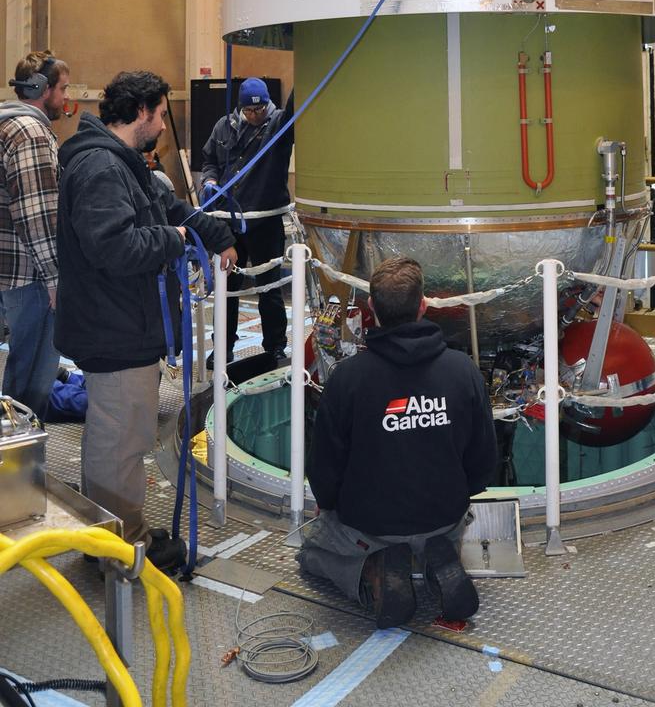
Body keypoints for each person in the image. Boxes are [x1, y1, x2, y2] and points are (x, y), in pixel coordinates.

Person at [54, 71, 238, 571]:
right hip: (113, 331)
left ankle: (112, 531)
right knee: (121, 440)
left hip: (121, 326)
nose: (161, 125)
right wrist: (175, 239)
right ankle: (121, 549)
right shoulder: (99, 168)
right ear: (140, 113)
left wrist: (216, 235)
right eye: (159, 115)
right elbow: (113, 247)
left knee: (118, 434)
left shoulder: (123, 165)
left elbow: (169, 207)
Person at [300, 257, 498, 628]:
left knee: (310, 551)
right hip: (443, 517)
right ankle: (439, 561)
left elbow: (324, 464)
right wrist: (456, 495)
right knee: (437, 531)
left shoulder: (347, 379)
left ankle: (373, 573)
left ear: (372, 308)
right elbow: (484, 460)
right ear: (423, 305)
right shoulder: (462, 371)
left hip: (371, 524)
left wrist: (327, 504)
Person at [200, 78, 293, 364]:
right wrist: (210, 180)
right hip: (229, 220)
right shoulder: (223, 126)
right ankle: (223, 347)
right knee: (227, 288)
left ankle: (275, 346)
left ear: (268, 103)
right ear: (240, 108)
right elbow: (210, 160)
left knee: (270, 288)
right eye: (249, 111)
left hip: (265, 219)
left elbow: (294, 108)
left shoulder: (279, 124)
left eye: (260, 109)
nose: (255, 115)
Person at [0, 52, 70, 421]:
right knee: (29, 382)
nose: (64, 98)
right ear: (42, 89)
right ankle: (19, 471)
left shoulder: (4, 125)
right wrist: (57, 281)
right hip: (29, 276)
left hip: (8, 270)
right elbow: (37, 215)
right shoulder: (31, 133)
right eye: (63, 89)